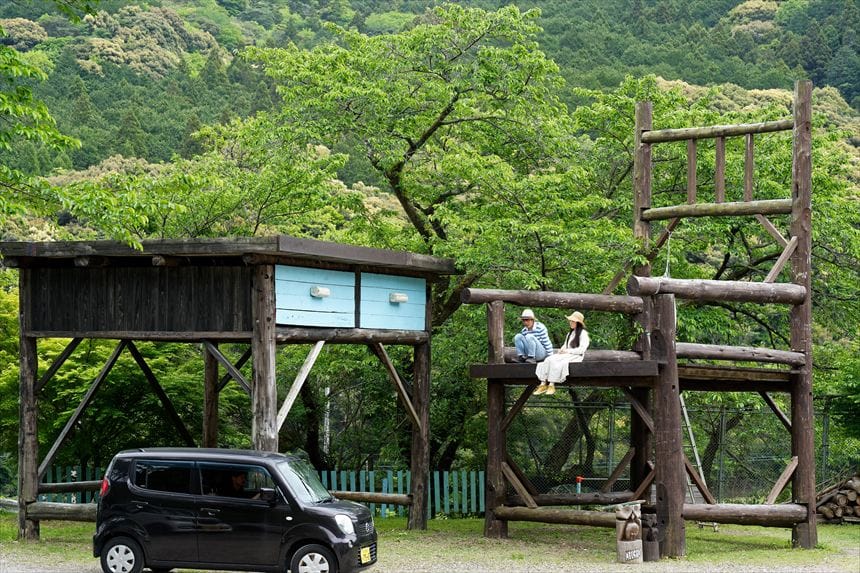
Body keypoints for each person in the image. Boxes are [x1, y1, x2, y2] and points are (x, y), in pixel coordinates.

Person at [534, 311, 590, 395]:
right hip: (567, 354)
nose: (570, 323)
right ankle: (542, 384)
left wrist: (567, 351)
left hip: (576, 356)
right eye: (570, 321)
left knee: (556, 362)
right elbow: (565, 345)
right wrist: (561, 350)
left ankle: (552, 384)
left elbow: (581, 350)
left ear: (578, 323)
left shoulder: (583, 334)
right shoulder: (570, 333)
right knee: (549, 359)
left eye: (573, 321)